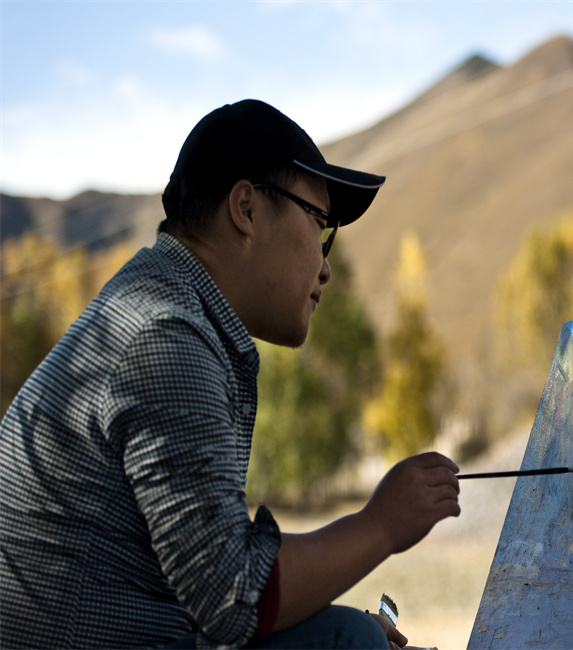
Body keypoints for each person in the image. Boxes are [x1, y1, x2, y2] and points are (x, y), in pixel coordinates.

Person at [0, 99, 461, 649]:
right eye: (319, 225)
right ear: (245, 209)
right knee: (350, 639)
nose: (325, 267)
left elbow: (207, 587)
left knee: (345, 634)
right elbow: (232, 597)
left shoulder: (156, 305)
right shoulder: (167, 334)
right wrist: (381, 525)